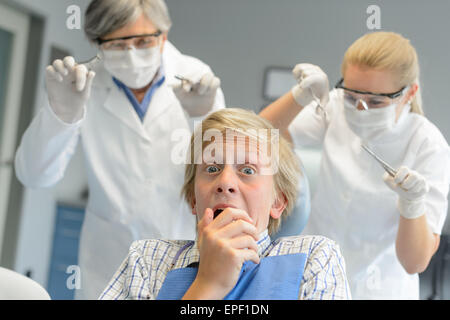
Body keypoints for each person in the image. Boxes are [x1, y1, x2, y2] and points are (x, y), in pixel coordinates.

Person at [14, 0, 225, 299]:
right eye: (117, 44)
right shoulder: (79, 85)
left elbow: (223, 175)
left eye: (143, 41)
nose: (132, 54)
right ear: (95, 41)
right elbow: (34, 176)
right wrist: (61, 115)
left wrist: (201, 118)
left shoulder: (196, 76)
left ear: (163, 35)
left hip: (185, 259)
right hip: (109, 263)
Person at [259, 31, 450, 299]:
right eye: (352, 96)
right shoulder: (336, 107)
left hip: (380, 288)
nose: (360, 109)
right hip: (312, 274)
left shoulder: (428, 146)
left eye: (376, 102)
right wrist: (299, 96)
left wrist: (412, 205)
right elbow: (259, 138)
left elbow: (414, 262)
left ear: (409, 93)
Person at [99, 108, 351, 300]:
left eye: (248, 170)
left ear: (278, 201)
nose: (225, 182)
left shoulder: (313, 257)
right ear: (192, 199)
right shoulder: (148, 260)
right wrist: (208, 284)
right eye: (212, 168)